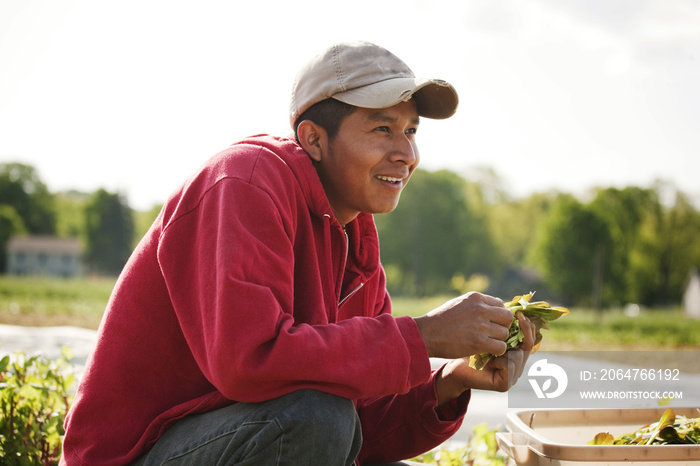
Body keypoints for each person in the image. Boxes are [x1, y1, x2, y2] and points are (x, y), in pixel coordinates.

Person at [60, 41, 536, 466]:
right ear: (313, 139)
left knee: (332, 420)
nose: (405, 153)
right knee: (318, 417)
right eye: (382, 128)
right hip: (135, 455)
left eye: (411, 131)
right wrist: (423, 335)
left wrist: (450, 380)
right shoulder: (244, 183)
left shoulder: (355, 238)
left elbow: (362, 426)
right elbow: (250, 358)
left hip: (236, 440)